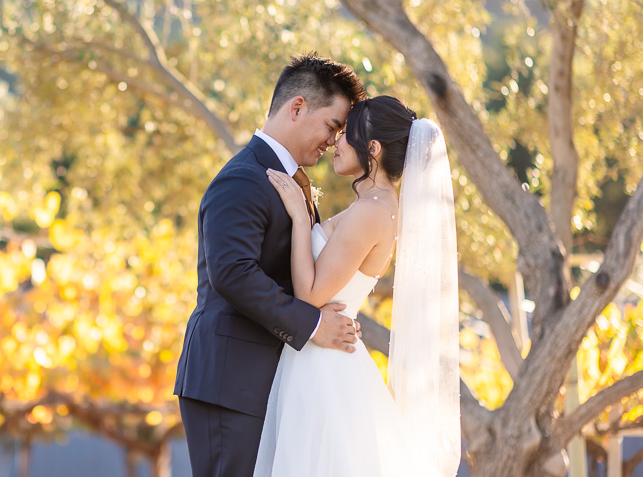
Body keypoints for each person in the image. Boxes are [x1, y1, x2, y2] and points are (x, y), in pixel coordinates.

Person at [174, 52, 367, 477]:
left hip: (268, 381)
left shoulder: (290, 180)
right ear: (297, 107)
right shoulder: (242, 178)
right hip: (229, 382)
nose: (335, 141)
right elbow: (233, 274)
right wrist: (314, 324)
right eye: (332, 126)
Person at [255, 95, 462, 476]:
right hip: (322, 354)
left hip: (324, 366)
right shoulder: (373, 207)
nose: (334, 141)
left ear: (373, 148)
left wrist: (301, 221)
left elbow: (310, 295)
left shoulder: (373, 212)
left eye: (345, 134)